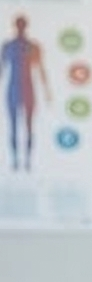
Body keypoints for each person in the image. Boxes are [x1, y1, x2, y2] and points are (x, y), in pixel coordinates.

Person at [2, 15, 50, 172]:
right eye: (19, 25)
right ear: (16, 26)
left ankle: (27, 160)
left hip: (28, 87)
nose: (20, 28)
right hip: (14, 87)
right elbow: (2, 69)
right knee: (13, 125)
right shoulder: (8, 46)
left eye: (22, 25)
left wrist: (47, 90)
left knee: (29, 125)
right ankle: (16, 160)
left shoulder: (33, 46)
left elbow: (41, 69)